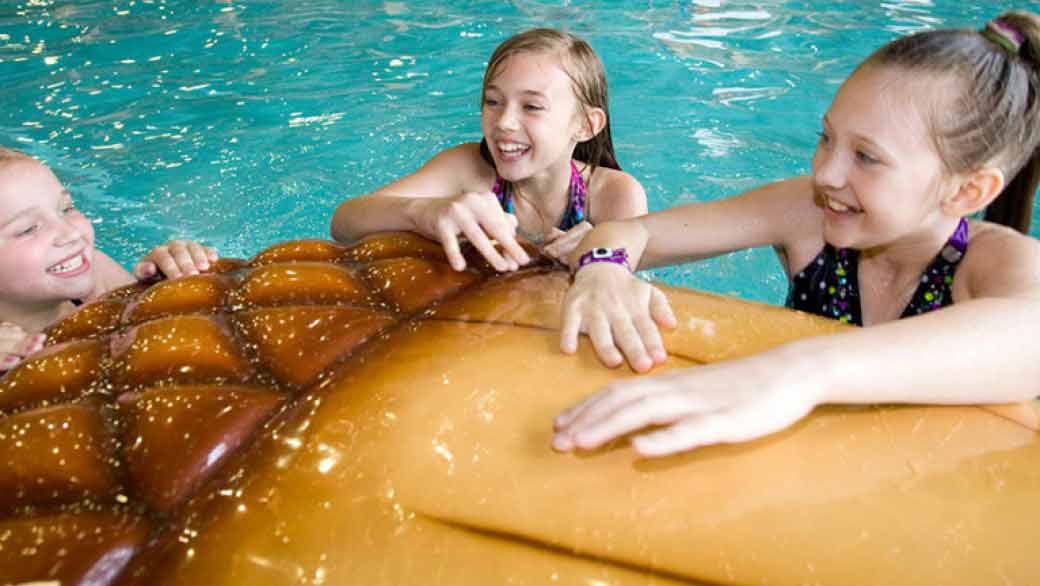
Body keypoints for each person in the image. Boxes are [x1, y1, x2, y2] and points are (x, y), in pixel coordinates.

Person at [552, 12, 1040, 457]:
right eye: (826, 138)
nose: (827, 172)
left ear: (969, 190)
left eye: (866, 156)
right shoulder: (806, 214)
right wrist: (604, 267)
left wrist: (795, 372)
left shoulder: (993, 262)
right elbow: (628, 232)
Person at [330, 28, 647, 272]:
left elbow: (620, 296)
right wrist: (422, 213)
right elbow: (344, 224)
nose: (504, 123)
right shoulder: (468, 169)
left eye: (532, 106)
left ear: (586, 125)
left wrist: (599, 255)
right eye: (493, 101)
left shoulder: (613, 195)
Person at [0, 146, 218, 369]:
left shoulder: (96, 271)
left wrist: (164, 283)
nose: (71, 233)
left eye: (66, 208)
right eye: (28, 229)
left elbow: (156, 330)